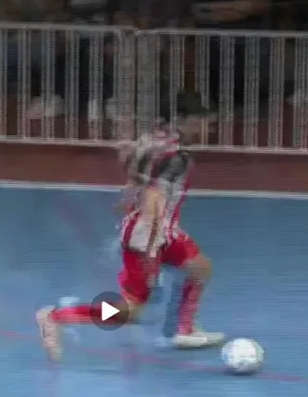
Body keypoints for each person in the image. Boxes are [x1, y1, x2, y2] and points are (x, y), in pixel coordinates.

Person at [36, 93, 224, 360]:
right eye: (202, 123)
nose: (207, 130)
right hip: (149, 235)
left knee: (200, 268)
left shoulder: (152, 140)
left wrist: (128, 201)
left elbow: (136, 177)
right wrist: (151, 251)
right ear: (182, 120)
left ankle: (184, 330)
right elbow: (154, 199)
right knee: (127, 312)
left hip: (160, 229)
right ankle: (57, 317)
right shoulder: (176, 158)